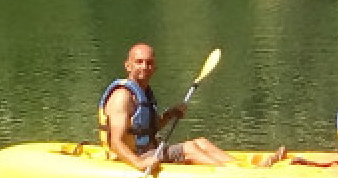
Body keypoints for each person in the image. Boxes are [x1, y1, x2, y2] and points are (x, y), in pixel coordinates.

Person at [99, 42, 236, 169]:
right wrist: (139, 163)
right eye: (139, 62)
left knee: (202, 143)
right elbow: (115, 142)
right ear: (128, 66)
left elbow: (149, 128)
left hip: (150, 151)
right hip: (132, 157)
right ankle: (233, 176)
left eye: (149, 63)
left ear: (155, 68)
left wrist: (170, 114)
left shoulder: (143, 93)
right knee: (190, 149)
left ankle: (240, 168)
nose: (144, 67)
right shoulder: (122, 96)